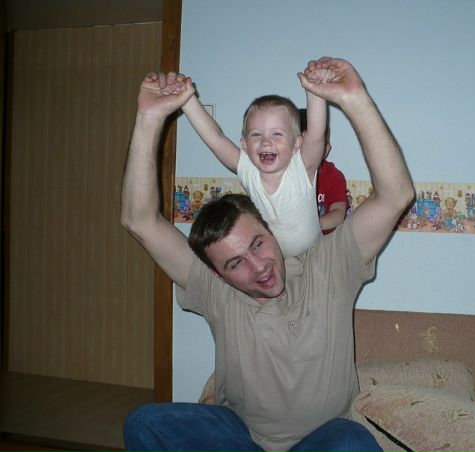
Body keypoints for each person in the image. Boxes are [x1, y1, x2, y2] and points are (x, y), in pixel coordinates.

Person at [121, 57, 415, 452]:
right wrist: (148, 118)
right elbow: (139, 220)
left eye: (257, 243)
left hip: (323, 441)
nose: (258, 267)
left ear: (268, 227)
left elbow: (396, 195)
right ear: (220, 274)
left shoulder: (330, 265)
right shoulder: (216, 290)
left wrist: (354, 98)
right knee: (146, 423)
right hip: (239, 439)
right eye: (235, 263)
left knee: (351, 443)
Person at [180, 66, 329, 257]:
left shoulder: (302, 169)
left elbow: (316, 134)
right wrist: (187, 100)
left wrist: (315, 91)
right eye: (256, 134)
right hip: (275, 260)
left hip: (314, 255)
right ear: (244, 144)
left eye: (277, 134)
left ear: (296, 144)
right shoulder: (248, 170)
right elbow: (215, 139)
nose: (266, 141)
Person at [299, 108, 349, 234]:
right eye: (299, 147)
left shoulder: (333, 177)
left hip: (324, 238)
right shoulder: (282, 175)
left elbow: (338, 214)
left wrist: (313, 227)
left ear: (326, 150)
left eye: (312, 147)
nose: (305, 153)